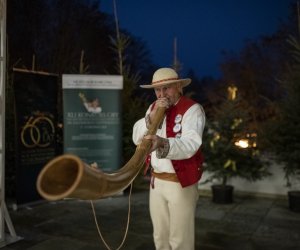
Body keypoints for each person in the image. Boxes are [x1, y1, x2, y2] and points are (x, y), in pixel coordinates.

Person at [132, 67, 206, 250]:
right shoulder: (153, 108)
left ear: (179, 87)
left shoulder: (192, 109)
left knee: (180, 240)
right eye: (158, 89)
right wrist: (150, 117)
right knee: (160, 236)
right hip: (156, 181)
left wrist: (163, 143)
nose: (162, 94)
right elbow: (137, 138)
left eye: (167, 88)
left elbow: (191, 144)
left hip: (180, 183)